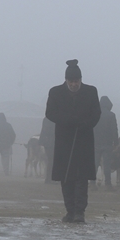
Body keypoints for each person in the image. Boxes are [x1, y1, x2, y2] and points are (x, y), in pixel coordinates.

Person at [45, 59, 101, 223]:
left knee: (81, 178)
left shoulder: (91, 92)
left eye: (77, 81)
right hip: (64, 141)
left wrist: (86, 124)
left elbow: (96, 114)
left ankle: (80, 212)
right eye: (71, 81)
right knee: (66, 177)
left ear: (80, 80)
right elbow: (50, 113)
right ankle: (70, 210)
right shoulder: (55, 92)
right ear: (66, 80)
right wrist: (67, 120)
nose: (74, 84)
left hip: (83, 140)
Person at [93, 96, 119, 189]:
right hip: (107, 144)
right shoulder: (111, 115)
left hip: (95, 143)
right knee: (107, 165)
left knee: (95, 164)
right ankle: (108, 184)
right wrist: (116, 143)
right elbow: (114, 130)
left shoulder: (94, 114)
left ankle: (92, 184)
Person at [39, 117, 56, 183]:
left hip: (47, 142)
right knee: (52, 160)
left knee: (50, 160)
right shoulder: (52, 119)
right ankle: (50, 178)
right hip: (51, 142)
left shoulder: (47, 118)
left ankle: (49, 178)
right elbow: (50, 131)